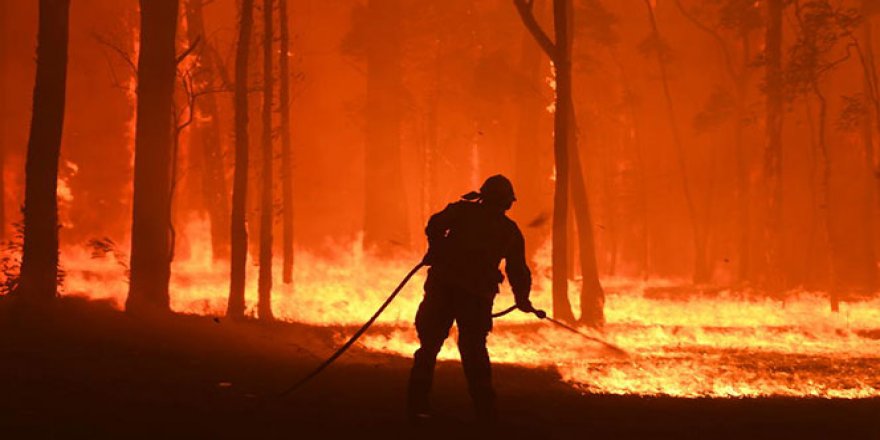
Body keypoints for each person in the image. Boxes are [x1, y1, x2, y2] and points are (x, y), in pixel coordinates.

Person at [407, 174, 535, 424]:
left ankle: (417, 406)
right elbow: (517, 269)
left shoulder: (462, 212)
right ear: (507, 202)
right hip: (474, 297)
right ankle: (485, 412)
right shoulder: (507, 230)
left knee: (429, 348)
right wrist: (522, 298)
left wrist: (437, 247)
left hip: (444, 289)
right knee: (474, 351)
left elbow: (434, 225)